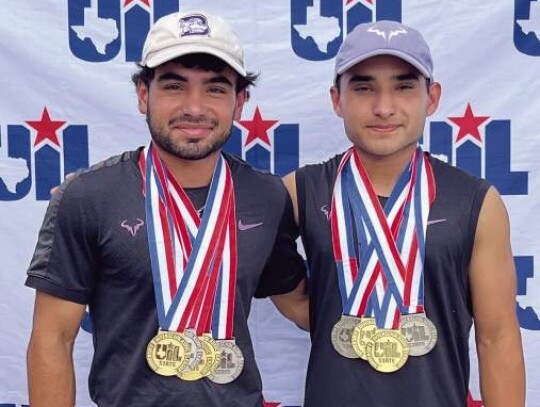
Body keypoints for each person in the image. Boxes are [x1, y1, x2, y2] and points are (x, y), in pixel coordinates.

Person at [25, 10, 307, 407]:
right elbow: (53, 338)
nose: (194, 107)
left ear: (240, 101)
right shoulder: (88, 196)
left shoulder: (267, 196)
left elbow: (299, 303)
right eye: (175, 86)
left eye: (215, 89)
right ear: (144, 94)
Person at [283, 20, 525, 407]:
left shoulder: (477, 201)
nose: (384, 107)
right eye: (363, 88)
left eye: (404, 86)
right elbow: (264, 273)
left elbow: (497, 338)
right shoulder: (299, 191)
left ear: (431, 97)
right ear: (336, 99)